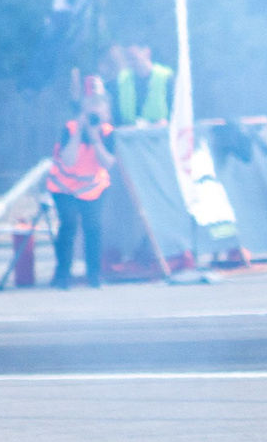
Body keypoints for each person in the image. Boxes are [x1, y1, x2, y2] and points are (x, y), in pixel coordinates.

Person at [44, 81, 114, 289]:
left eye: (99, 104)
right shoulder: (70, 128)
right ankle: (63, 274)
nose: (95, 108)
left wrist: (94, 138)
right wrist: (79, 132)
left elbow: (108, 163)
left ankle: (94, 275)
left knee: (93, 227)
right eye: (91, 104)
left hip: (92, 187)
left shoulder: (108, 132)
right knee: (69, 225)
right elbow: (68, 159)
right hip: (64, 187)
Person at [110, 42, 174, 126]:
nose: (130, 63)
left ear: (147, 53)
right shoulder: (121, 80)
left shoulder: (166, 78)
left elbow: (178, 112)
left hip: (161, 136)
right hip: (129, 136)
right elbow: (115, 115)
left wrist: (167, 122)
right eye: (127, 59)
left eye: (134, 58)